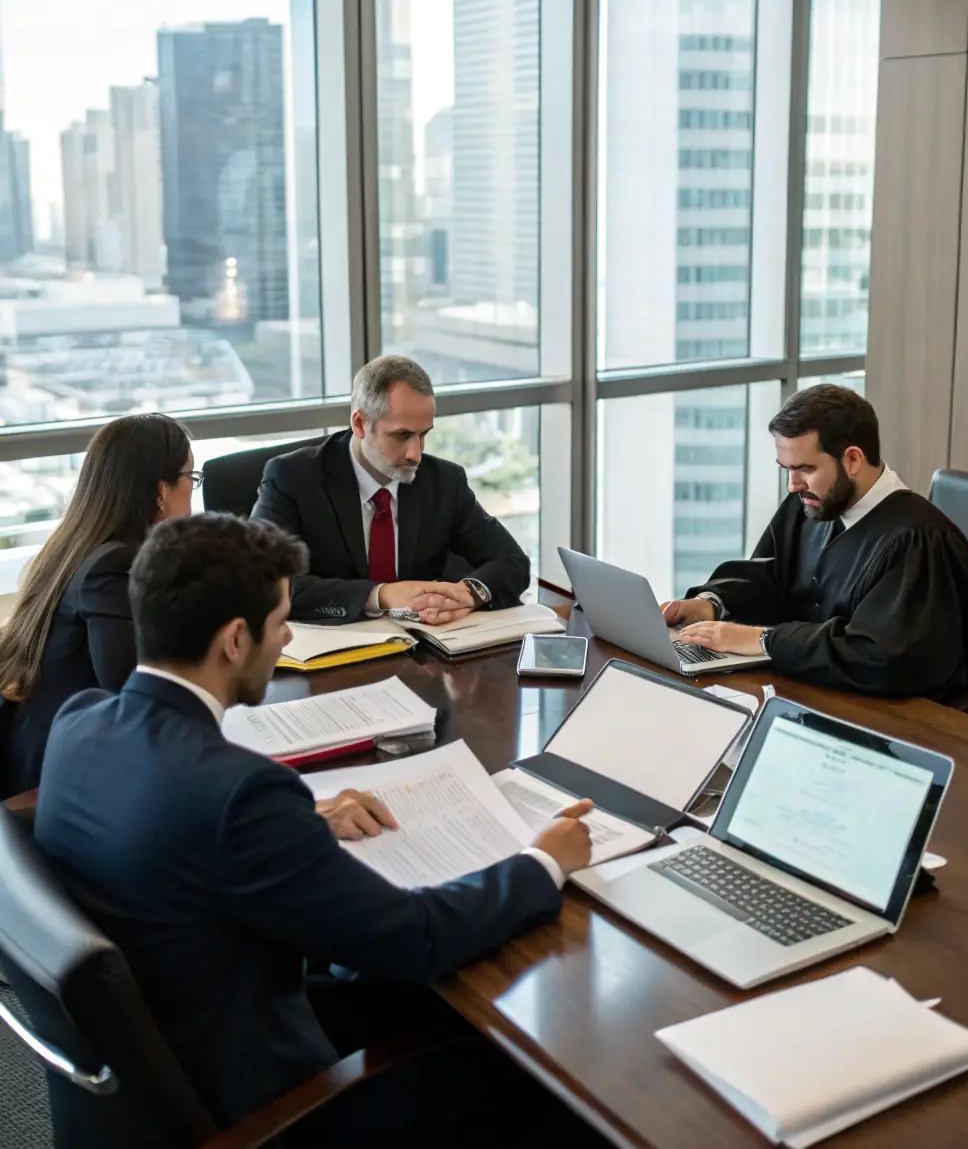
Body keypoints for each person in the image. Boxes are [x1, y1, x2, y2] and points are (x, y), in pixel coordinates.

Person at [34, 514, 601, 1149]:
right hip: (268, 1102)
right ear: (232, 641)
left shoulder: (79, 724)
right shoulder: (241, 794)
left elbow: (178, 828)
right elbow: (412, 940)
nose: (284, 642)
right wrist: (542, 862)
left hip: (157, 1061)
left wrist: (296, 821)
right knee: (540, 1078)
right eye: (280, 624)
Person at [662, 384, 968, 701]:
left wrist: (763, 641)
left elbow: (879, 658)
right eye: (786, 469)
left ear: (853, 460)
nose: (793, 485)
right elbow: (771, 576)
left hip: (921, 731)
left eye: (805, 469)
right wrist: (711, 605)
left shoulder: (918, 542)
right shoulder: (812, 504)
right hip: (818, 698)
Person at [252, 354, 530, 625]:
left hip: (422, 655)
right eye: (402, 435)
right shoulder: (292, 478)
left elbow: (513, 561)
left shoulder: (444, 481)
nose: (415, 454)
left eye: (423, 435)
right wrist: (380, 595)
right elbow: (264, 581)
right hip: (336, 654)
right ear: (360, 424)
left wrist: (468, 594)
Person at [0, 413, 196, 798]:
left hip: (40, 750)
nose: (194, 489)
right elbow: (133, 695)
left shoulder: (75, 545)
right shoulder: (112, 565)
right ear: (160, 492)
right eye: (192, 477)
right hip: (59, 781)